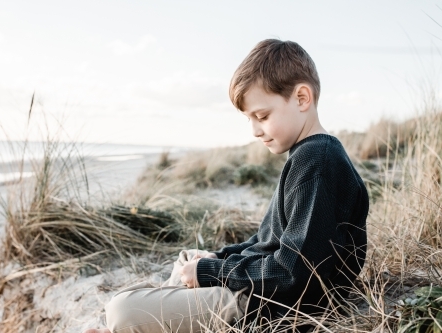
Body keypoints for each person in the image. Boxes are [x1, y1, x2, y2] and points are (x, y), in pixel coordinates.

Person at [84, 39, 369, 333]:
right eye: (249, 119)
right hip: (260, 292)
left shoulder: (317, 162)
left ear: (301, 98)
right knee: (190, 258)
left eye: (262, 116)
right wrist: (218, 259)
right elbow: (266, 243)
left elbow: (295, 273)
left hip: (272, 307)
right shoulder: (307, 156)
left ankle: (132, 321)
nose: (255, 130)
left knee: (121, 310)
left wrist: (213, 273)